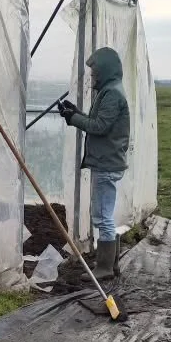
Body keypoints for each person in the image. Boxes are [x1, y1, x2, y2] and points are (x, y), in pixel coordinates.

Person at [58, 46, 131, 280]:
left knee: (102, 216)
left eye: (95, 72)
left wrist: (73, 119)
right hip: (107, 161)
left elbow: (100, 127)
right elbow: (98, 120)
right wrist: (76, 113)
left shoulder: (112, 94)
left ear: (105, 70)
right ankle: (111, 264)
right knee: (105, 214)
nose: (92, 76)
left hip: (107, 164)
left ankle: (104, 268)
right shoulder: (109, 91)